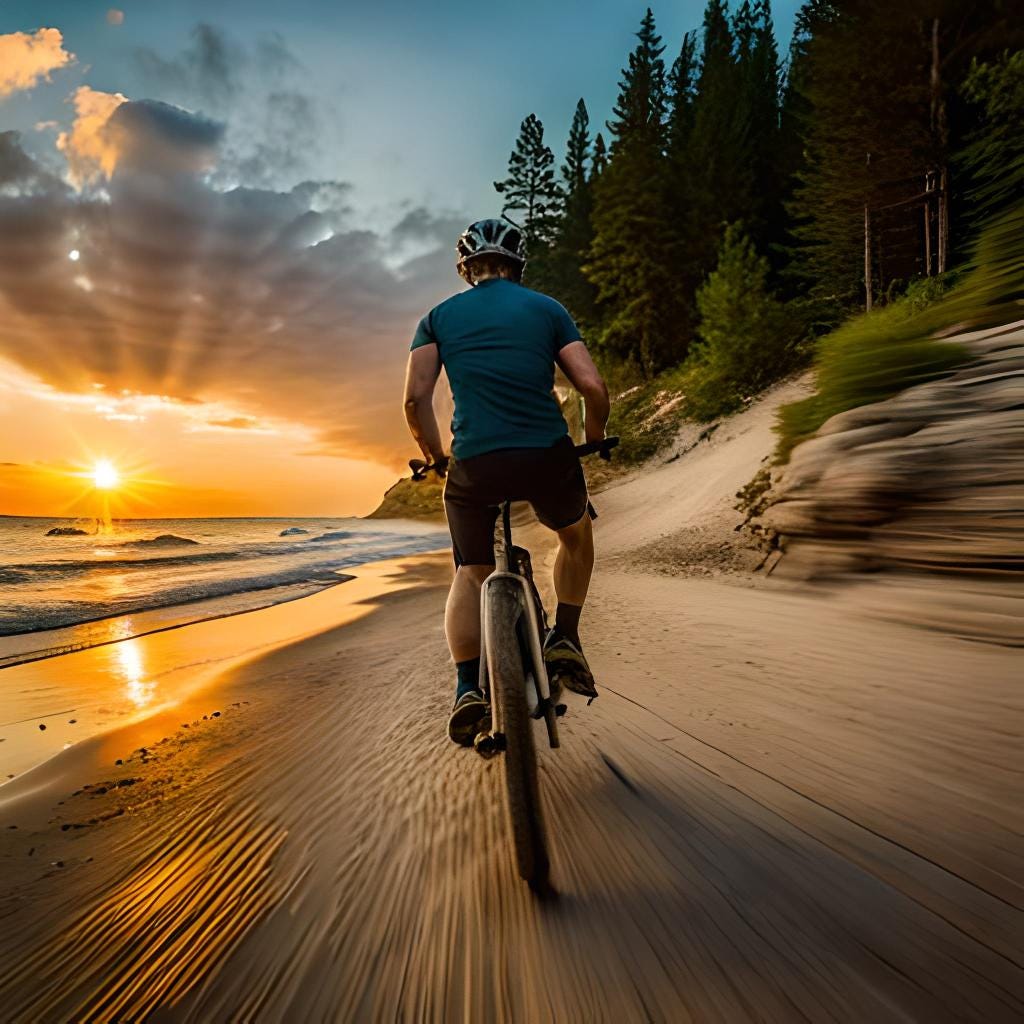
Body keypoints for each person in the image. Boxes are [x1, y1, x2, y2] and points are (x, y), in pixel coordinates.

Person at [403, 218, 610, 745]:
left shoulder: (437, 318)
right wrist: (594, 436)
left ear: (466, 268)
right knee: (575, 534)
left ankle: (467, 689)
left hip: (476, 462)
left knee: (470, 573)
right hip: (545, 455)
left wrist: (436, 458)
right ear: (519, 265)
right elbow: (590, 385)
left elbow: (415, 400)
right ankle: (565, 636)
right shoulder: (548, 310)